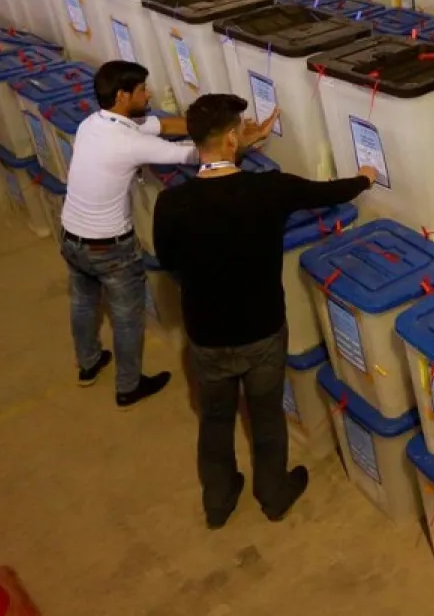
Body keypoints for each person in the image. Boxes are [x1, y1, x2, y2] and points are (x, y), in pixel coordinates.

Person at [153, 94, 376, 529]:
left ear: (196, 140)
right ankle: (273, 493)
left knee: (215, 418)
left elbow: (169, 260)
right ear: (234, 138)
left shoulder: (172, 203)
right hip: (262, 330)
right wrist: (365, 179)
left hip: (207, 335)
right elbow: (326, 193)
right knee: (266, 413)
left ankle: (218, 500)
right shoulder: (267, 190)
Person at [59, 62, 271, 408]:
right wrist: (238, 140)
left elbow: (164, 125)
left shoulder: (92, 123)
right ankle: (128, 386)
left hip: (71, 236)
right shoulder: (127, 142)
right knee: (128, 317)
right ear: (122, 95)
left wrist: (214, 124)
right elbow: (198, 154)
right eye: (142, 90)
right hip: (109, 248)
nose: (150, 94)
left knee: (83, 301)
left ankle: (88, 363)